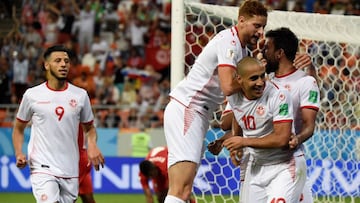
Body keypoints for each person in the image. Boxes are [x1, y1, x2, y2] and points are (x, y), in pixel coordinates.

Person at [163, 1, 268, 202]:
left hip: (198, 113)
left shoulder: (244, 52)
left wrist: (229, 138)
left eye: (263, 27)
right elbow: (229, 86)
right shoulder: (229, 41)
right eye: (257, 26)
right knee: (181, 189)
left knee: (184, 190)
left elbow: (237, 102)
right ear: (242, 21)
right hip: (188, 108)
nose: (260, 31)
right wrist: (261, 80)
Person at [12, 45, 105, 203]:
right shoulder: (32, 95)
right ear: (46, 65)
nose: (63, 64)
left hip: (71, 168)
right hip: (42, 165)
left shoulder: (81, 96)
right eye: (58, 61)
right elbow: (19, 129)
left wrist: (92, 145)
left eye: (66, 61)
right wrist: (19, 152)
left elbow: (89, 128)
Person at [222, 56, 306, 202]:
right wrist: (236, 144)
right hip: (257, 166)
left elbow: (282, 139)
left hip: (284, 166)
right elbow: (238, 113)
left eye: (262, 76)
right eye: (254, 78)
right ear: (239, 80)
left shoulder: (279, 95)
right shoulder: (233, 96)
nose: (260, 82)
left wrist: (243, 141)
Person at [261, 27, 320, 203]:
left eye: (267, 48)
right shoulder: (263, 81)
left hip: (289, 159)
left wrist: (298, 138)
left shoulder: (305, 81)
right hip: (263, 160)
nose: (263, 52)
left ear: (279, 53)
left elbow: (310, 125)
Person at [78, 125, 96, 203]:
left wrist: (92, 146)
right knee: (88, 199)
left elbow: (91, 129)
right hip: (82, 158)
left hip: (77, 161)